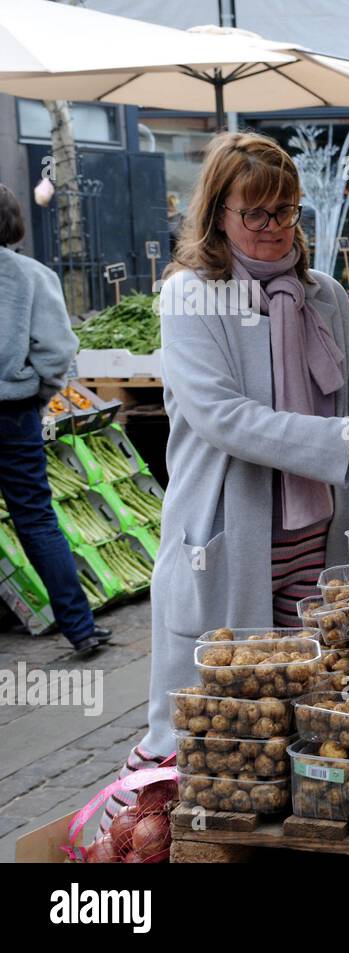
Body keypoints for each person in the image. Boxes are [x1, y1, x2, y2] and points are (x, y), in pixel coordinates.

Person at [118, 132, 349, 812]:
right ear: (219, 214)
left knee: (311, 707)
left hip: (320, 538)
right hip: (234, 540)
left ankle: (301, 820)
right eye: (255, 213)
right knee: (230, 716)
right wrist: (338, 436)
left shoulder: (321, 293)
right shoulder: (191, 297)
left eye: (286, 211)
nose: (273, 228)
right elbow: (222, 416)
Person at [0, 183, 110, 659]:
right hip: (12, 413)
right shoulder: (29, 276)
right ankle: (80, 628)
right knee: (36, 518)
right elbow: (59, 351)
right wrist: (37, 391)